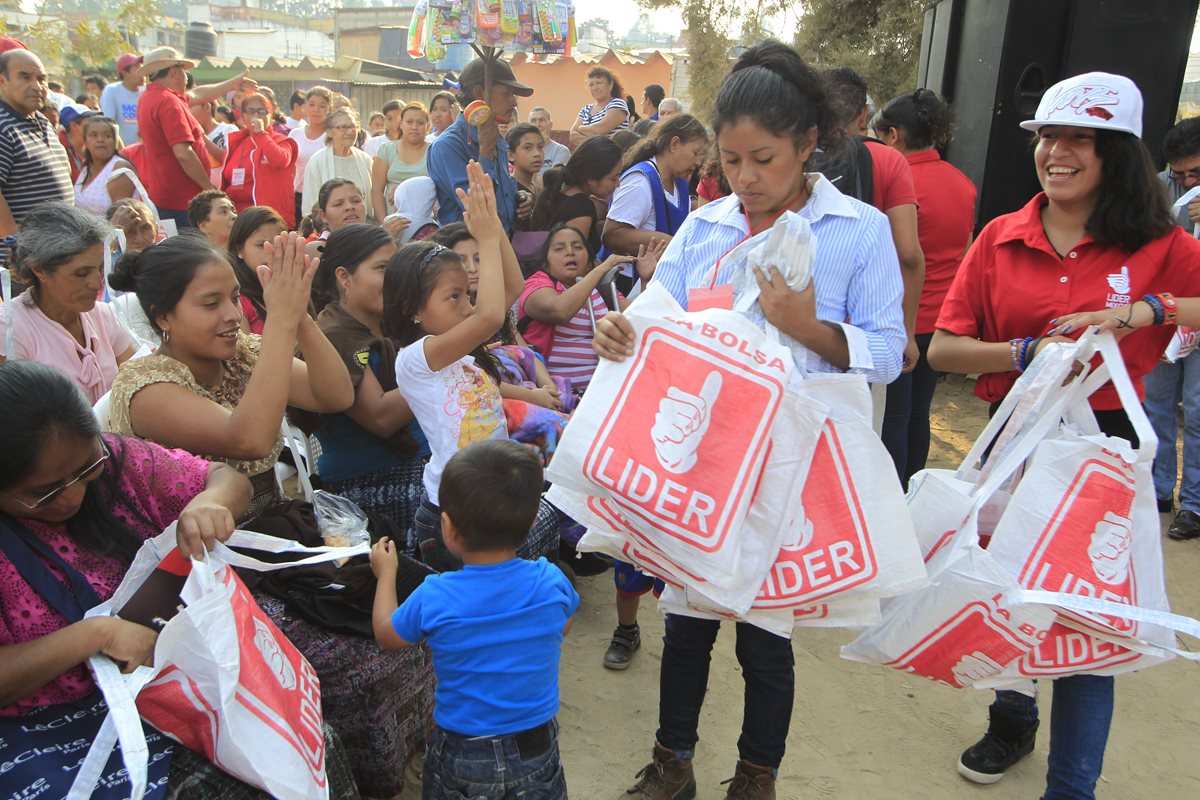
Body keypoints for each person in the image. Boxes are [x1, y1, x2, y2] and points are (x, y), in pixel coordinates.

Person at [594, 41, 905, 799]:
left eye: (764, 159)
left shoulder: (857, 230)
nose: (747, 178)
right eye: (731, 161)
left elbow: (890, 352)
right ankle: (673, 764)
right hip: (704, 461)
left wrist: (805, 326)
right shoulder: (705, 227)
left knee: (766, 640)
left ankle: (755, 776)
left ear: (808, 142)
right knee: (687, 625)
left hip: (792, 469)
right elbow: (656, 316)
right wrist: (621, 330)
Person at [927, 71, 1200, 800]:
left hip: (1106, 451)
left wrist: (1147, 310)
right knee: (1011, 599)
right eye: (1048, 136)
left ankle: (1072, 788)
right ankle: (1012, 720)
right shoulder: (999, 237)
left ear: (1118, 152)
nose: (1057, 152)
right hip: (1018, 439)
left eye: (1081, 138)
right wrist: (1027, 353)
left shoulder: (1160, 242)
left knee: (1088, 626)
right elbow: (944, 349)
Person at [0, 360, 364, 798]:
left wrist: (209, 504)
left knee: (303, 743)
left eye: (84, 471)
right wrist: (95, 635)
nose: (73, 495)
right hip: (51, 717)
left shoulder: (118, 463)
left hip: (170, 667)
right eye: (44, 492)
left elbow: (228, 480)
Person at [370, 439, 577, 800]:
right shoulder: (551, 581)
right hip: (537, 747)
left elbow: (387, 635)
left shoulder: (435, 595)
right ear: (532, 521)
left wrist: (387, 574)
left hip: (463, 751)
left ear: (447, 528)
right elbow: (563, 624)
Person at [383, 162, 540, 571]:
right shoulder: (416, 359)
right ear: (412, 310)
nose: (468, 306)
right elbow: (489, 316)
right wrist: (484, 239)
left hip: (491, 499)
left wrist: (495, 227)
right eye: (454, 297)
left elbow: (512, 288)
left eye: (467, 295)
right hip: (452, 512)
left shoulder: (466, 356)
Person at [871, 89, 977, 484]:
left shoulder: (899, 182)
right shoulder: (963, 183)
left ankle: (894, 494)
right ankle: (913, 487)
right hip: (940, 321)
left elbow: (900, 254)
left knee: (893, 416)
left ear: (893, 135)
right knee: (919, 412)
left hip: (901, 318)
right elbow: (965, 251)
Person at [310, 223, 429, 534]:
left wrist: (491, 237)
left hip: (418, 463)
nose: (395, 280)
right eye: (382, 268)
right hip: (373, 482)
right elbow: (381, 418)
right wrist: (438, 364)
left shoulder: (389, 323)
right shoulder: (336, 337)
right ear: (344, 277)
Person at [822, 66, 925, 387]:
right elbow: (908, 254)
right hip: (862, 332)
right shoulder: (889, 159)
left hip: (807, 319)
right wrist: (907, 332)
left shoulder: (794, 155)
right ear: (863, 114)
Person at [0, 203, 137, 401]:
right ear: (39, 270)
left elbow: (139, 378)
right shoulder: (9, 329)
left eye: (100, 268)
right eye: (81, 273)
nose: (97, 283)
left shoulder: (101, 315)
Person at [1137, 116, 1200, 538]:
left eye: (1196, 172)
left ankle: (1194, 504)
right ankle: (1157, 490)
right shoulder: (1157, 188)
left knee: (1197, 413)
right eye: (1181, 174)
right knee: (1155, 406)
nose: (1188, 181)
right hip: (1163, 314)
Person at [517, 224, 658, 392]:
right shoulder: (538, 282)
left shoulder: (600, 290)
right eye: (559, 248)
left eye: (577, 247)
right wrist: (602, 268)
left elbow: (640, 320)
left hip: (606, 391)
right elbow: (559, 311)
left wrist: (646, 280)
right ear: (546, 264)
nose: (570, 252)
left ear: (589, 262)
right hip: (555, 395)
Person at [602, 113, 708, 292]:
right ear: (674, 144)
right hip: (629, 284)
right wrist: (669, 242)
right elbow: (612, 234)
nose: (698, 162)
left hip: (659, 281)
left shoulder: (680, 183)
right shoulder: (640, 180)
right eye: (695, 153)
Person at [427, 57, 533, 235]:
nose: (514, 102)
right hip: (468, 247)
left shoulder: (496, 139)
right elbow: (476, 207)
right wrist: (485, 153)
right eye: (507, 93)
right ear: (480, 93)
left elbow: (500, 196)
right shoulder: (447, 145)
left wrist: (520, 198)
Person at [0, 49, 73, 236]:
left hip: (56, 248)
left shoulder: (43, 121)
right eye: (25, 77)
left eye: (41, 79)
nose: (37, 86)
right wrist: (15, 246)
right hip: (23, 252)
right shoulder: (3, 124)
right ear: (2, 81)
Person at [529, 136, 622, 255]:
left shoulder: (560, 189)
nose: (618, 184)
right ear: (592, 177)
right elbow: (570, 260)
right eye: (613, 178)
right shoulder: (581, 207)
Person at [221, 91, 298, 227]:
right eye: (251, 111)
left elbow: (280, 160)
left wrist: (261, 134)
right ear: (243, 115)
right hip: (239, 219)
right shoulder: (236, 142)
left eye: (262, 111)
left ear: (271, 115)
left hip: (268, 221)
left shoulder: (282, 141)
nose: (256, 116)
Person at [302, 107, 374, 223]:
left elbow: (373, 199)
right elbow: (309, 206)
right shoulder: (317, 162)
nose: (350, 131)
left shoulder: (365, 160)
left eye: (353, 127)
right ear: (329, 132)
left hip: (363, 227)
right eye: (343, 127)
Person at [227, 206, 287, 334]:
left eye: (279, 244)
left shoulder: (292, 287)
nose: (272, 251)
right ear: (239, 250)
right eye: (262, 245)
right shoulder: (236, 301)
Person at [371, 100, 430, 221]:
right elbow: (377, 191)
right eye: (409, 122)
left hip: (426, 223)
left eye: (420, 123)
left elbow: (440, 187)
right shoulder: (386, 150)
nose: (414, 127)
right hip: (392, 221)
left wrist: (405, 190)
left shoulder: (434, 151)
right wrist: (384, 225)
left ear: (427, 126)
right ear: (401, 124)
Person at [73, 115, 138, 218]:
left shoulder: (119, 169)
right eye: (93, 135)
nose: (100, 140)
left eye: (107, 136)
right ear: (85, 141)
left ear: (115, 141)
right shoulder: (86, 168)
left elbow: (122, 218)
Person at [289, 86, 333, 223]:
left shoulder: (332, 136)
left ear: (329, 109)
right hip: (297, 195)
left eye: (322, 106)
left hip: (323, 196)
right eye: (312, 104)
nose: (316, 110)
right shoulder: (295, 134)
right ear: (305, 106)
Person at [569, 66, 629, 147]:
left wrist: (581, 128)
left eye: (599, 83)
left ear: (611, 84)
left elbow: (599, 130)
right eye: (591, 85)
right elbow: (572, 136)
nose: (595, 88)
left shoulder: (617, 104)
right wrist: (598, 144)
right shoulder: (586, 109)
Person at [189, 97, 237, 187]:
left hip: (225, 191)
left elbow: (226, 158)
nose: (187, 111)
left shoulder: (228, 129)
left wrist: (201, 135)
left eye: (190, 106)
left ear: (207, 107)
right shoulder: (189, 137)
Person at [507, 122, 544, 229]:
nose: (537, 154)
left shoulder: (537, 187)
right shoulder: (510, 190)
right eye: (528, 148)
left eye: (540, 147)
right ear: (511, 155)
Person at [57, 103, 97, 181]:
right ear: (74, 126)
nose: (95, 125)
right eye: (90, 121)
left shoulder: (94, 146)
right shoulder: (58, 148)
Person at [529, 105, 569, 173]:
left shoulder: (560, 151)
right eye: (533, 121)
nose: (537, 124)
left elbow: (554, 178)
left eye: (541, 120)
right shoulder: (523, 150)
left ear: (550, 125)